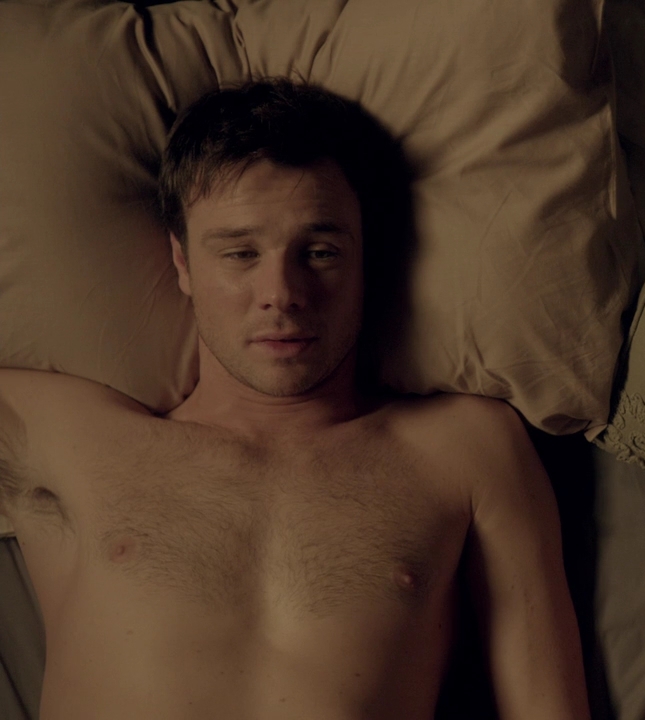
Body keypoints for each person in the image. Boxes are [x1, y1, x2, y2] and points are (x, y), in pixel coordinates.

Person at [0, 79, 589, 719]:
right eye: (240, 253)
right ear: (183, 263)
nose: (281, 293)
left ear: (367, 259)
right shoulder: (66, 437)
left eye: (321, 252)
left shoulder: (467, 448)